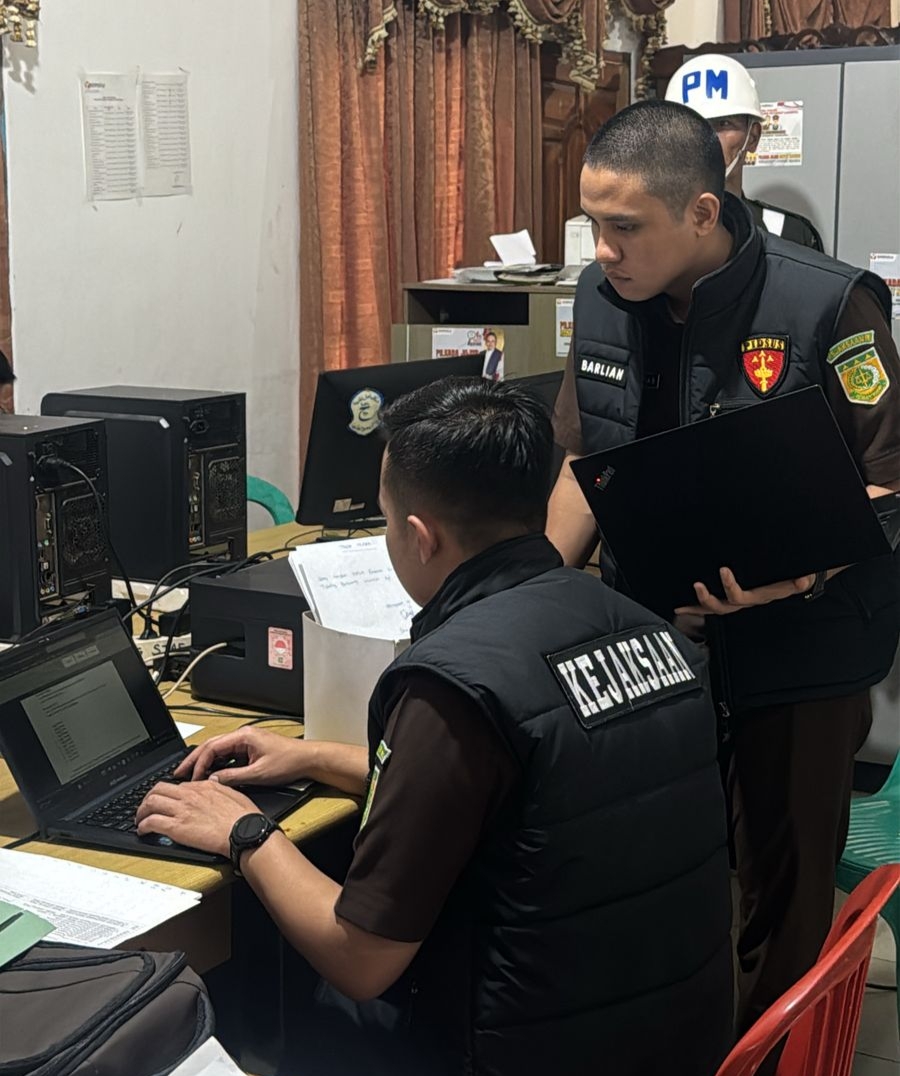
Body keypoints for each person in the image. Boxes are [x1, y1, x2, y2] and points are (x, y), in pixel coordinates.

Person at [137, 377, 734, 1076]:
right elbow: (524, 788)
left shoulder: (453, 684)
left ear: (421, 538)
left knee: (257, 980)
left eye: (387, 521)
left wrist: (244, 833)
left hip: (516, 1054)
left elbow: (360, 960)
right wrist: (311, 757)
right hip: (676, 1039)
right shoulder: (645, 629)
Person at [547, 98, 900, 1055]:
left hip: (800, 651)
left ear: (702, 212)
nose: (604, 250)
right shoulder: (601, 300)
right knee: (663, 879)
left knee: (781, 905)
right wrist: (530, 593)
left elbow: (888, 482)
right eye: (593, 223)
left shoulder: (828, 304)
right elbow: (583, 463)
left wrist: (796, 574)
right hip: (651, 643)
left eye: (626, 227)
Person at [665, 53, 824, 251]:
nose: (706, 137)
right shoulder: (651, 231)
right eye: (691, 125)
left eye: (723, 124)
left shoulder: (787, 234)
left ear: (752, 137)